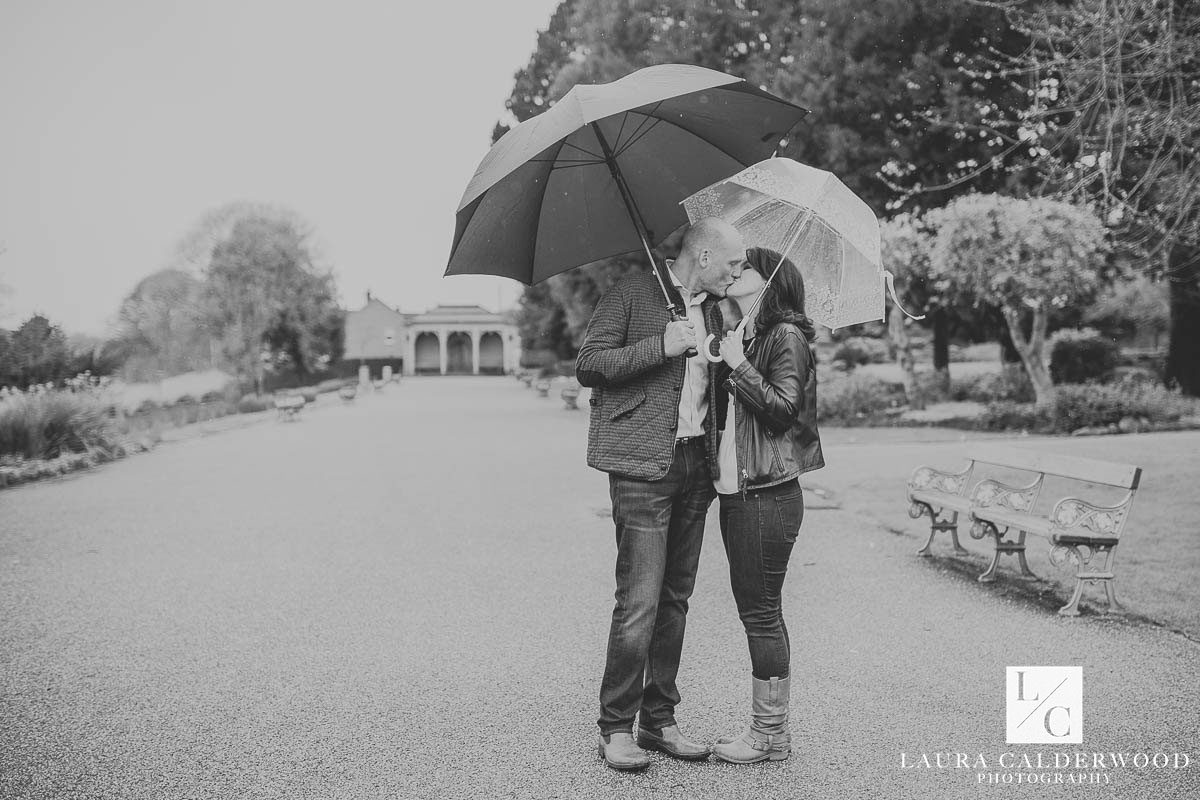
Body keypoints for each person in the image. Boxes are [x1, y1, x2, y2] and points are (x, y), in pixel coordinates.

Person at [575, 218, 747, 772]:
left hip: (696, 466)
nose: (739, 272)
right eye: (733, 263)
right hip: (641, 467)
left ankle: (658, 720)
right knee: (640, 601)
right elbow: (590, 364)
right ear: (701, 257)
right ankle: (615, 726)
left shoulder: (721, 310)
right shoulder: (632, 292)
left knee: (676, 598)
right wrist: (660, 345)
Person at [709, 246, 824, 764]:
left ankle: (770, 735)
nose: (733, 271)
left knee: (761, 613)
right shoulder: (753, 336)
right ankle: (768, 732)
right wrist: (731, 355)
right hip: (741, 493)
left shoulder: (787, 337)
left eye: (743, 266)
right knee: (754, 609)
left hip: (769, 494)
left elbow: (783, 411)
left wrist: (738, 365)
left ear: (770, 281)